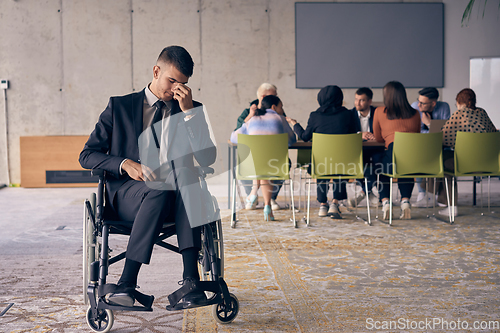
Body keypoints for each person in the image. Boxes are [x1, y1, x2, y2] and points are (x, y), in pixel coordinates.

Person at [79, 46, 216, 310]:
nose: (177, 89)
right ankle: (127, 282)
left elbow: (208, 158)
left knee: (186, 178)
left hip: (178, 200)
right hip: (130, 196)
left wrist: (189, 114)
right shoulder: (119, 106)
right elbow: (86, 155)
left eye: (183, 84)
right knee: (162, 186)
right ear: (156, 71)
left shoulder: (191, 108)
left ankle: (191, 282)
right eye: (172, 81)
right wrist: (123, 163)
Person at [287, 85, 358, 219]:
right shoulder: (348, 115)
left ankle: (323, 205)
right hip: (344, 162)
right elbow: (353, 135)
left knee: (321, 163)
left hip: (321, 163)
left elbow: (305, 137)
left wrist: (295, 124)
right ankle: (335, 203)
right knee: (339, 164)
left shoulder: (315, 116)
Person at [230, 95, 296, 221]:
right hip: (274, 166)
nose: (282, 110)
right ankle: (267, 205)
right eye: (281, 107)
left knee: (260, 163)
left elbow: (234, 138)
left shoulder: (252, 119)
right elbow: (292, 140)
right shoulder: (280, 118)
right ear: (274, 107)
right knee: (268, 166)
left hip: (250, 167)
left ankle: (254, 192)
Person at [434, 88, 497, 216]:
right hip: (489, 163)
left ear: (458, 102)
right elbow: (494, 134)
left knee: (442, 161)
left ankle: (449, 205)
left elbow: (443, 138)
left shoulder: (459, 114)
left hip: (464, 165)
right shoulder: (482, 113)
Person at [373, 81, 421, 220]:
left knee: (382, 167)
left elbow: (378, 138)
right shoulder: (416, 113)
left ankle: (386, 202)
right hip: (413, 155)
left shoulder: (379, 112)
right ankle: (405, 201)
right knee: (405, 167)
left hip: (392, 150)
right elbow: (417, 135)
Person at [235, 83, 284, 211]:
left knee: (256, 162)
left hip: (264, 159)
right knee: (258, 162)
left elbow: (235, 137)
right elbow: (238, 131)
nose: (277, 99)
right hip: (268, 161)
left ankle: (256, 195)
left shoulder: (277, 112)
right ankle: (265, 199)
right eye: (274, 96)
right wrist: (250, 116)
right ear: (264, 97)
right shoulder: (248, 112)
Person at [410, 87, 451, 207]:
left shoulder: (444, 107)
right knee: (418, 157)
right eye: (419, 100)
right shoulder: (415, 107)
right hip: (420, 145)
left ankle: (439, 196)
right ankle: (423, 193)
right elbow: (416, 131)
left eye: (422, 103)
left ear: (433, 103)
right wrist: (433, 131)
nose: (419, 104)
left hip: (441, 146)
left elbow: (445, 132)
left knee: (444, 158)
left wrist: (428, 124)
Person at [348, 87, 380, 208]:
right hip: (357, 149)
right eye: (356, 99)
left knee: (379, 162)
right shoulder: (350, 114)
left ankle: (363, 193)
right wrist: (360, 134)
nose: (357, 103)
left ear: (369, 102)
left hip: (376, 148)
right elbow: (346, 133)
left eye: (361, 100)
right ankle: (369, 192)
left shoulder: (378, 113)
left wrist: (375, 136)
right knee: (356, 163)